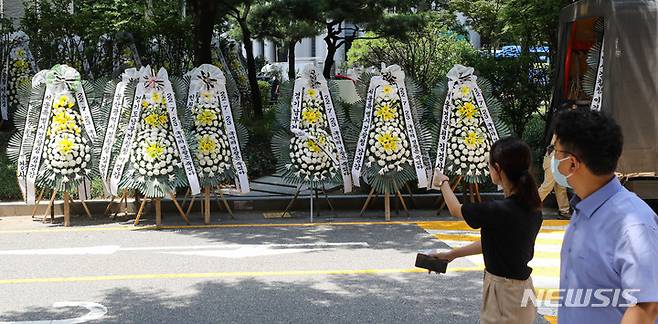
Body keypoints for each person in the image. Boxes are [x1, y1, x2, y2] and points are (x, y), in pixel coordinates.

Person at [552, 109, 658, 323]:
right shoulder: (584, 207)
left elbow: (646, 309)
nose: (553, 158)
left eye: (555, 152)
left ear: (572, 163)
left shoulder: (632, 224)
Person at [430, 137, 543, 324]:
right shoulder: (533, 208)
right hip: (522, 290)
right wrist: (453, 254)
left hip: (503, 293)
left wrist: (443, 182)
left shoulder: (498, 210)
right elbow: (495, 243)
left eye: (489, 165)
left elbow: (455, 210)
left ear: (498, 169)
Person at [538, 101, 576, 219]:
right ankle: (527, 207)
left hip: (558, 157)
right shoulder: (562, 125)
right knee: (547, 186)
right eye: (573, 109)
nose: (575, 111)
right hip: (553, 156)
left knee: (560, 186)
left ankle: (564, 211)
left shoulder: (563, 124)